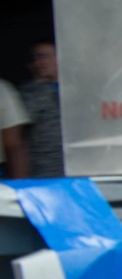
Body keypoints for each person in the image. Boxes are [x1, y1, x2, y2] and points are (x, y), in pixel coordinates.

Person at [20, 40, 62, 177]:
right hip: (44, 166)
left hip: (76, 163)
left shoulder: (75, 88)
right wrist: (38, 86)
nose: (40, 62)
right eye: (35, 58)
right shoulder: (28, 91)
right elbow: (24, 119)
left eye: (44, 56)